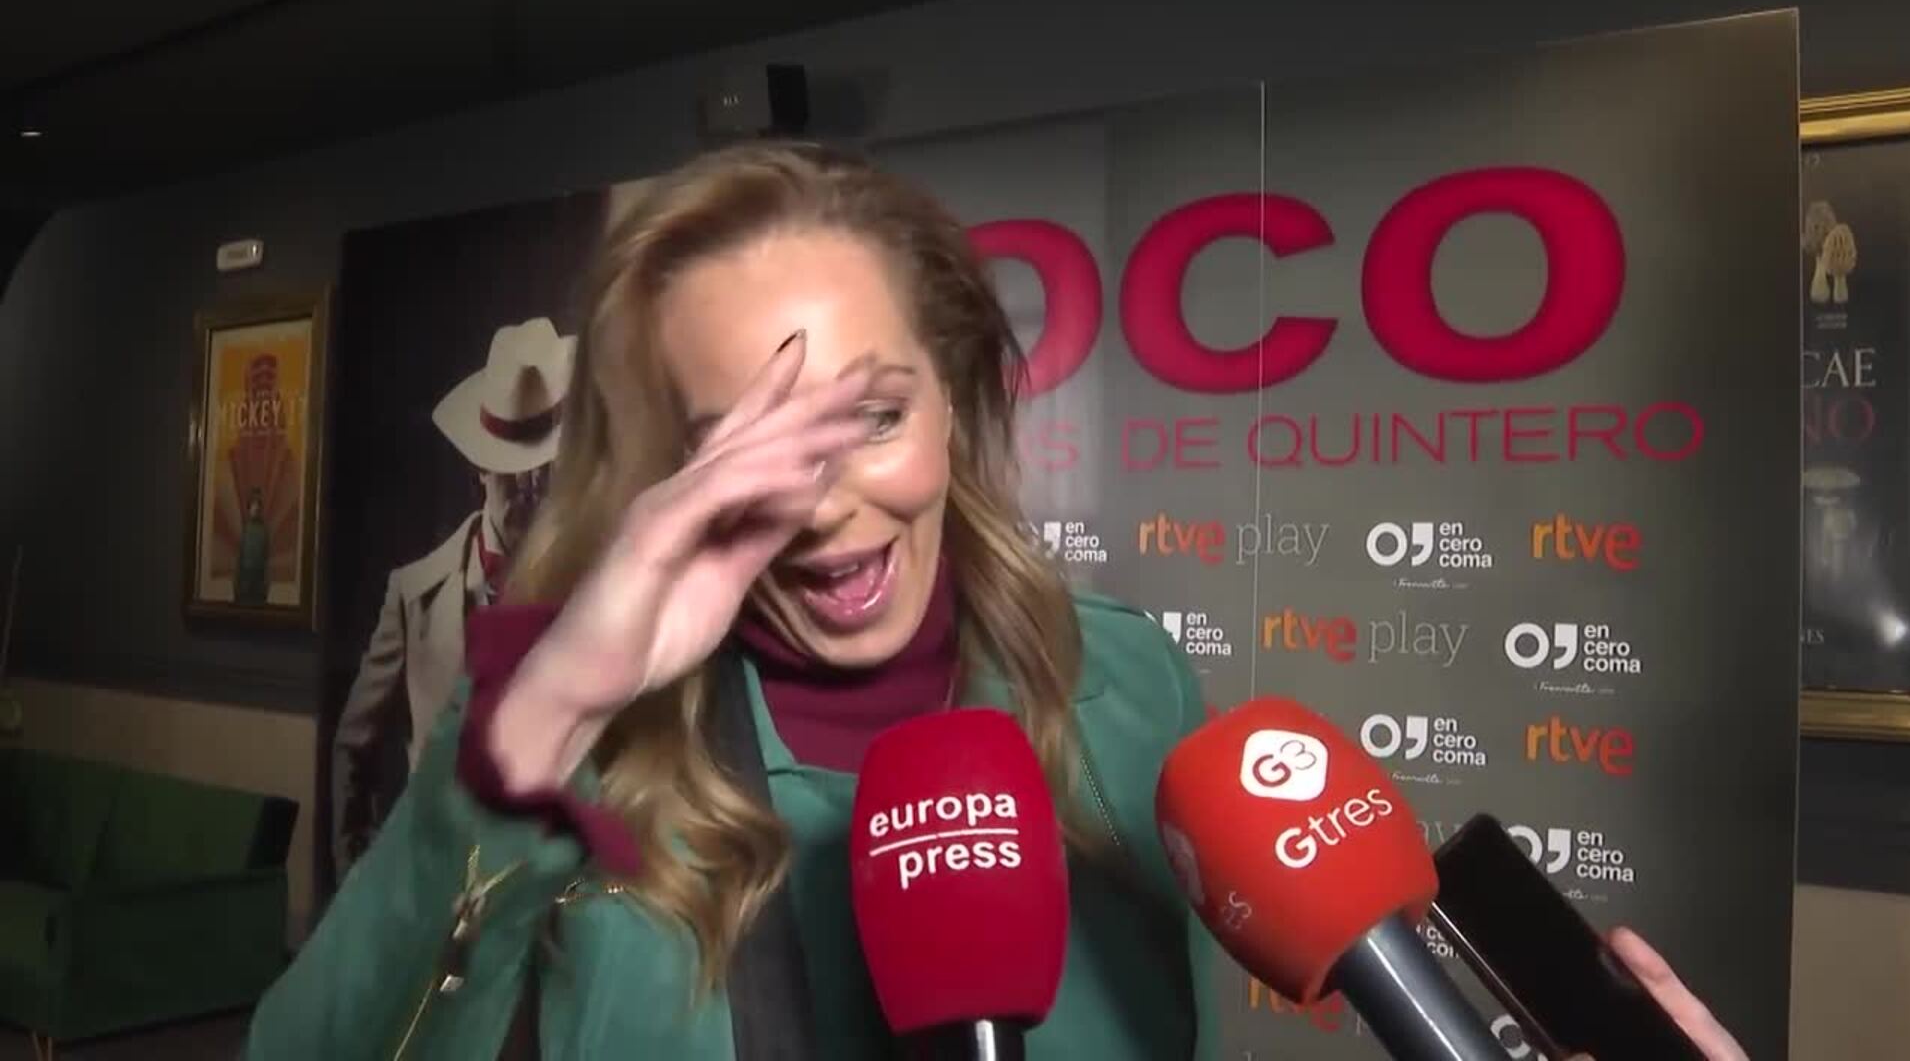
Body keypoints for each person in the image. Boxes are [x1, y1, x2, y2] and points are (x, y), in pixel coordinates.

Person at [249, 142, 1746, 1060]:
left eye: (870, 416)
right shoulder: (573, 757)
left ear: (959, 401)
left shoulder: (1130, 690)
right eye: (742, 450)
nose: (821, 503)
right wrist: (548, 720)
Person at [329, 317, 573, 881]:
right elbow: (353, 746)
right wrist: (358, 881)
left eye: (540, 472)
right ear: (480, 467)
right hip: (436, 879)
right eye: (513, 474)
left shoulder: (583, 589)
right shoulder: (415, 595)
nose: (529, 491)